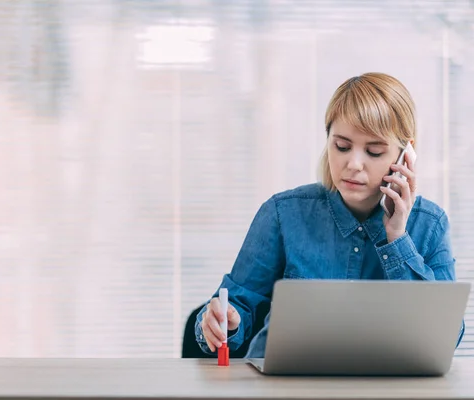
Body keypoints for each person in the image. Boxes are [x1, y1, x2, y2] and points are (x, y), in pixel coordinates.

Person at [194, 72, 465, 358]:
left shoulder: (430, 224)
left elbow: (445, 339)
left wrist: (397, 238)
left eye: (374, 151)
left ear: (405, 156)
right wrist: (222, 323)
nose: (353, 164)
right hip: (284, 388)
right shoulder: (283, 214)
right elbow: (234, 306)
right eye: (342, 147)